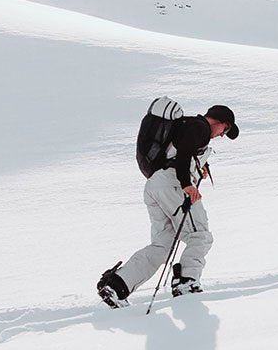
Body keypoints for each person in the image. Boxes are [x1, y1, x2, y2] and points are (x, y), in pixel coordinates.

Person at [98, 104, 239, 308]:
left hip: (155, 186)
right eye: (225, 130)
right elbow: (183, 154)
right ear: (219, 121)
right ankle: (186, 284)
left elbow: (182, 152)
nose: (222, 135)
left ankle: (116, 286)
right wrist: (187, 184)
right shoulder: (200, 127)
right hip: (172, 185)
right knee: (199, 235)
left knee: (162, 246)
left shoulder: (187, 126)